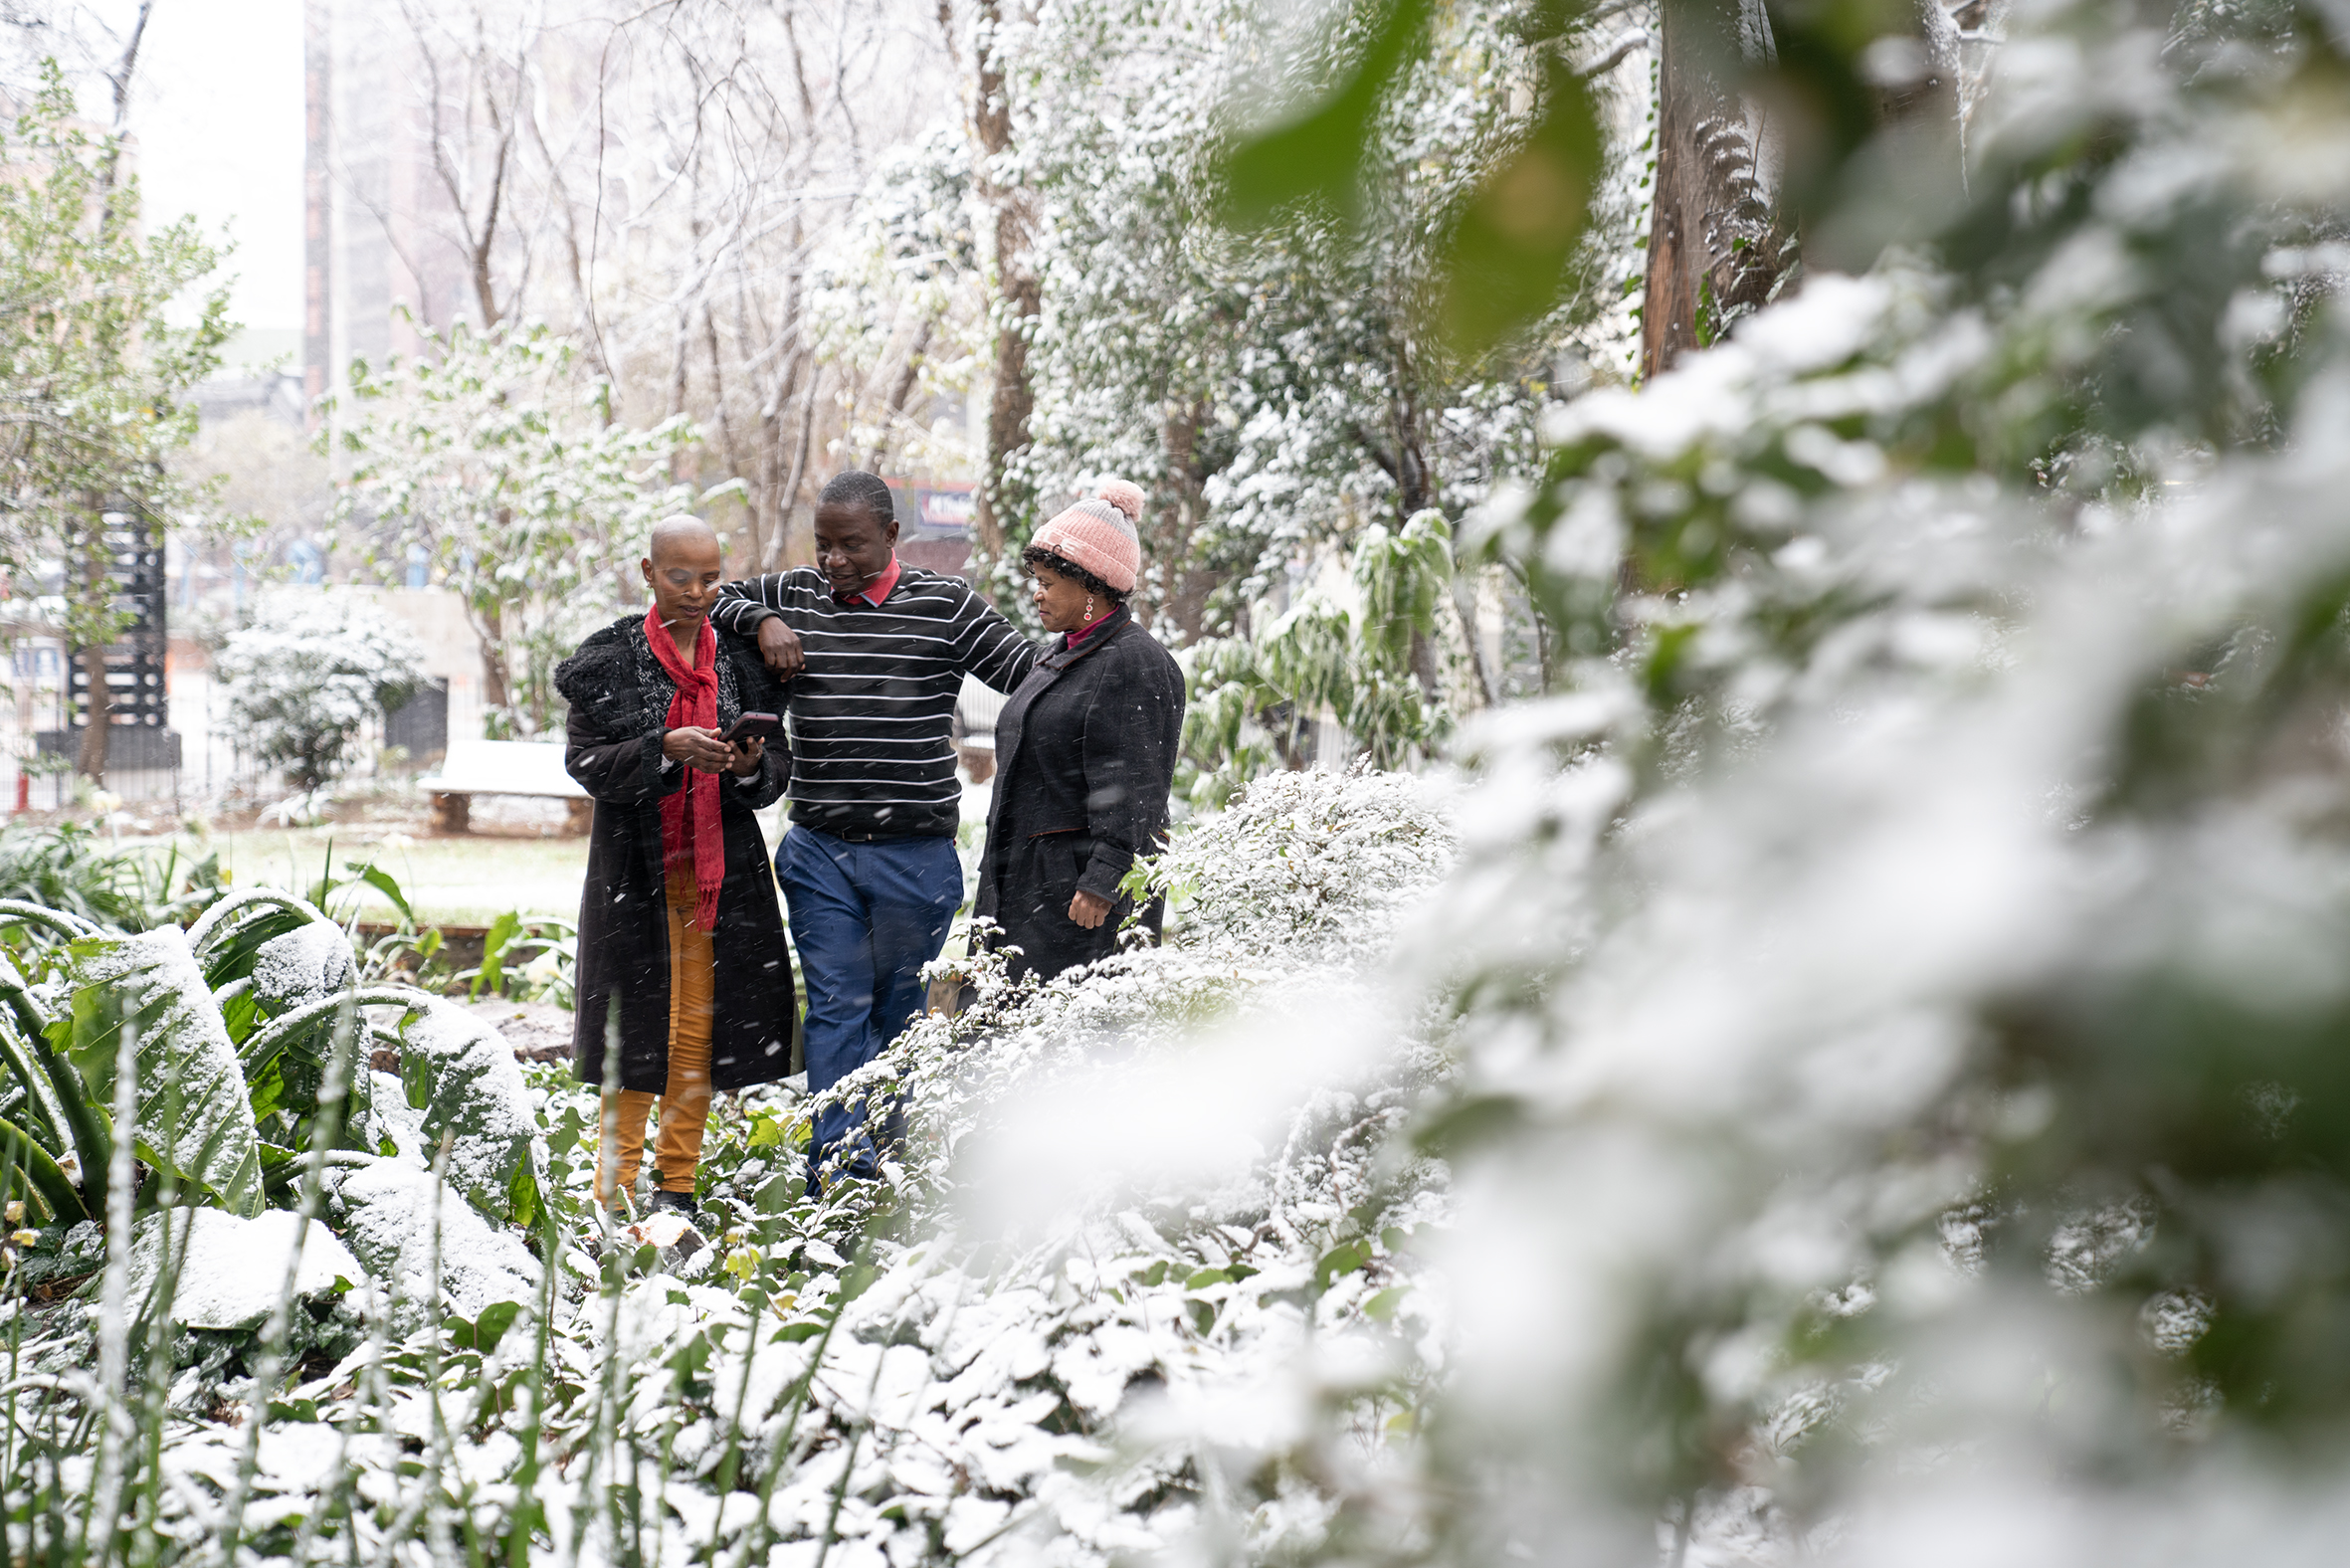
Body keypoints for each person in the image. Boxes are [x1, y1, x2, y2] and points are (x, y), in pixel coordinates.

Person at [709, 471, 1041, 1192]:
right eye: (823, 545)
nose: (834, 561)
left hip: (914, 857)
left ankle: (879, 1158)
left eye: (852, 545)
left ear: (892, 535)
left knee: (896, 1016)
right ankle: (836, 1173)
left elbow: (1031, 674)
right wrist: (760, 621)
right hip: (820, 850)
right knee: (836, 1007)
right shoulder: (793, 596)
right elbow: (711, 596)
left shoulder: (944, 605)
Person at [558, 516, 797, 1223]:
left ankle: (677, 1186)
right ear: (648, 573)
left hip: (723, 875)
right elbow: (585, 762)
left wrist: (747, 766)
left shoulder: (743, 662)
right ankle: (613, 1190)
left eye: (710, 578)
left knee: (698, 1029)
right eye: (680, 577)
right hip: (637, 874)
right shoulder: (608, 661)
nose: (697, 593)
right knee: (634, 1032)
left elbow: (775, 768)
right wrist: (664, 747)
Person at [973, 482, 1185, 983]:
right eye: (1037, 580)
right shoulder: (1060, 653)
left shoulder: (1135, 663)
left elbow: (1138, 787)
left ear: (1091, 586)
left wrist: (1104, 877)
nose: (1037, 592)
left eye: (1048, 582)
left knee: (1070, 1025)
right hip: (1028, 883)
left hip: (1079, 902)